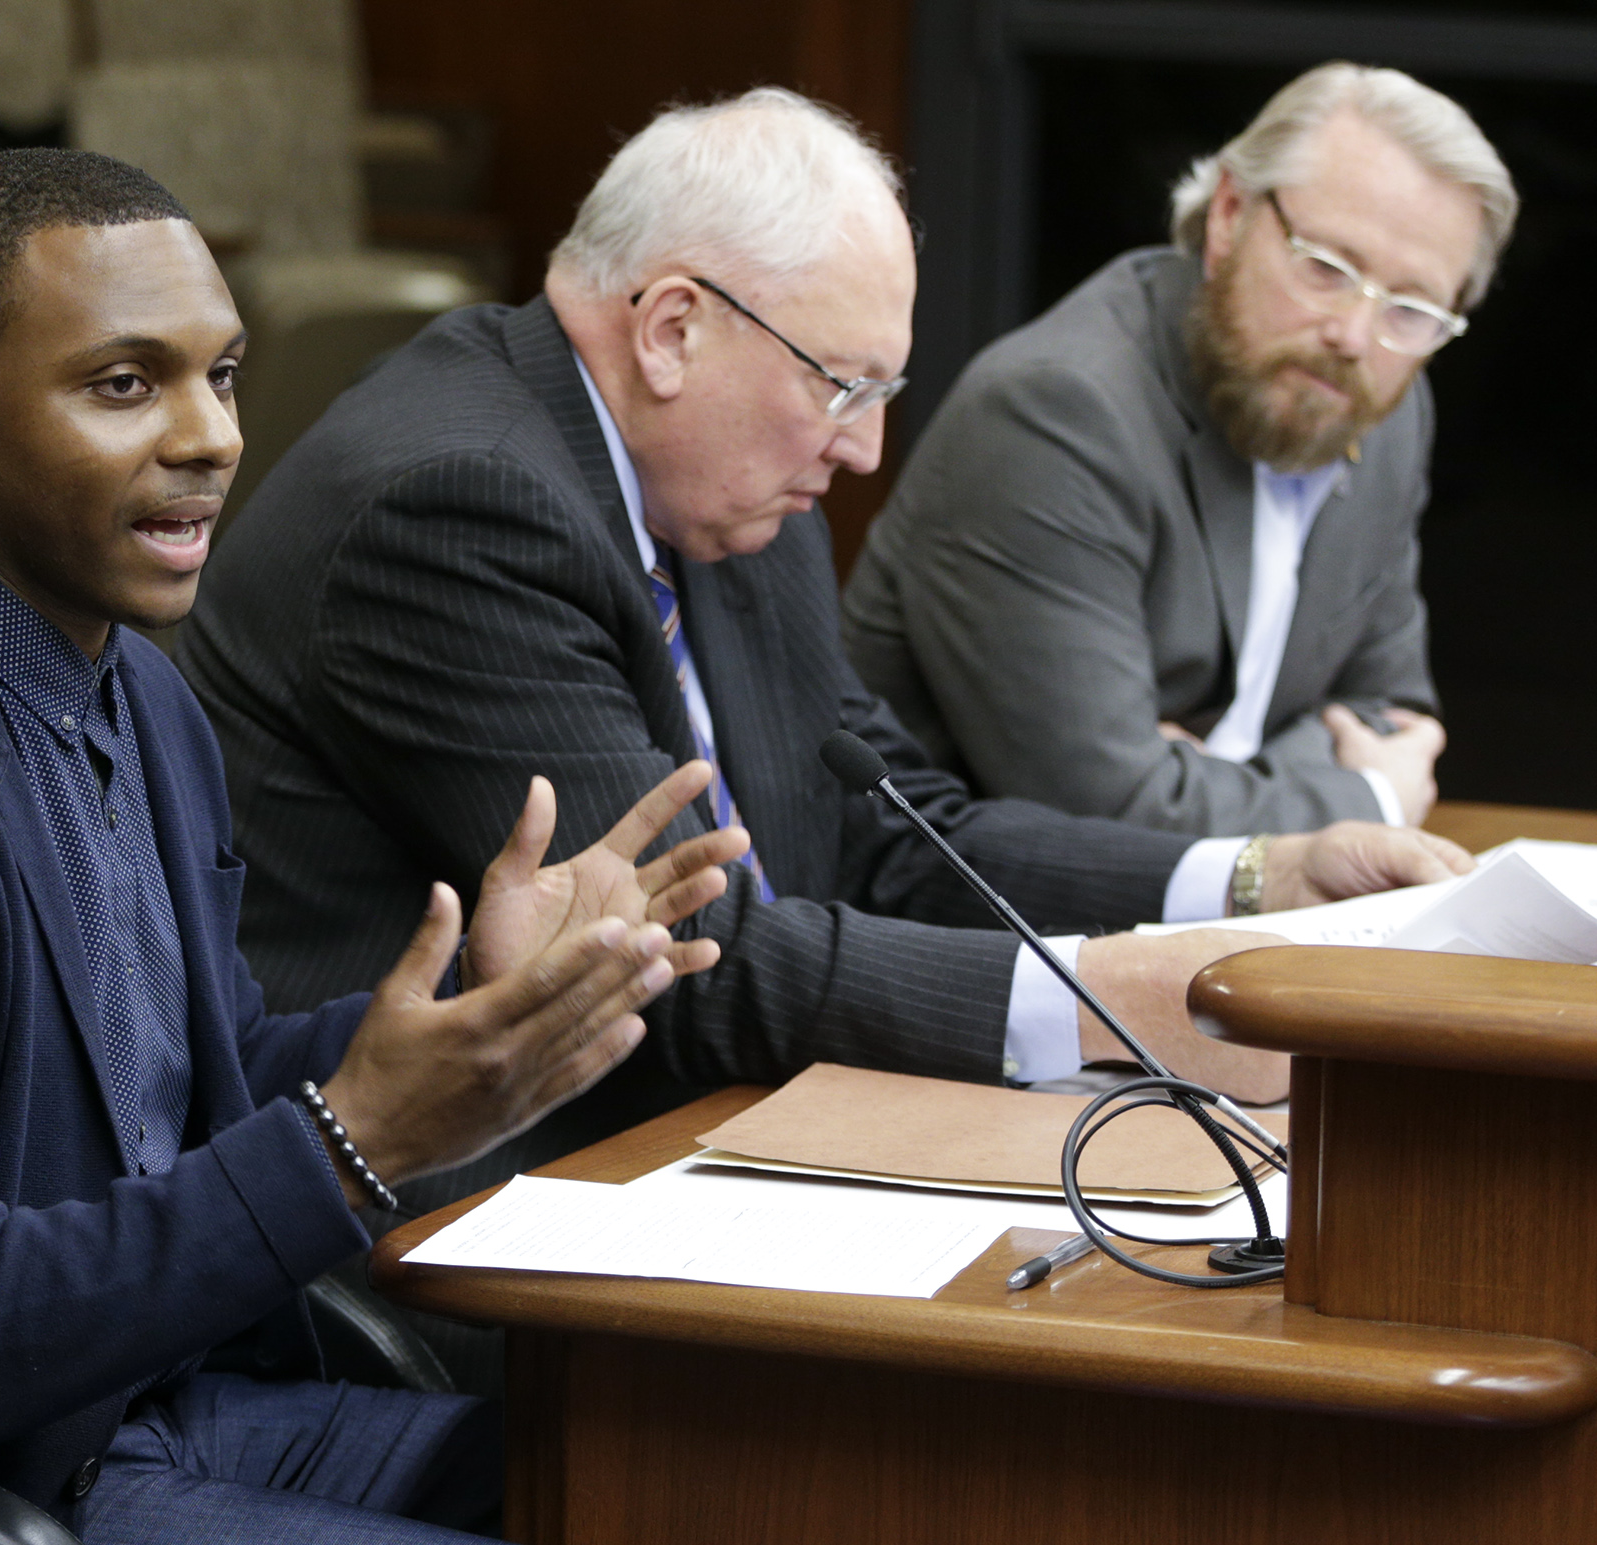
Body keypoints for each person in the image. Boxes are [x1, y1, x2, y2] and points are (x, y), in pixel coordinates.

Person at [0, 148, 745, 1543]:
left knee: (705, 1482)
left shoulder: (133, 687)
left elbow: (185, 1097)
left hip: (158, 1410)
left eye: (225, 374)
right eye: (126, 384)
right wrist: (354, 1140)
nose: (209, 435)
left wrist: (462, 1014)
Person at [179, 86, 1471, 1198]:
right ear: (674, 328)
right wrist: (1108, 1001)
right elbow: (681, 960)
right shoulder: (458, 503)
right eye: (844, 387)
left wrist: (1255, 879)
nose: (863, 453)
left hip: (679, 1129)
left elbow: (891, 830)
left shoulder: (725, 486)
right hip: (447, 1216)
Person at [842, 64, 1516, 837]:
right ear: (1229, 214)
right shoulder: (1056, 414)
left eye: (1412, 307)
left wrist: (1201, 778)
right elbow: (1110, 816)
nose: (1356, 337)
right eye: (1327, 270)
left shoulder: (1381, 410)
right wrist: (1365, 800)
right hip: (1007, 935)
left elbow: (1393, 715)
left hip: (1248, 927)